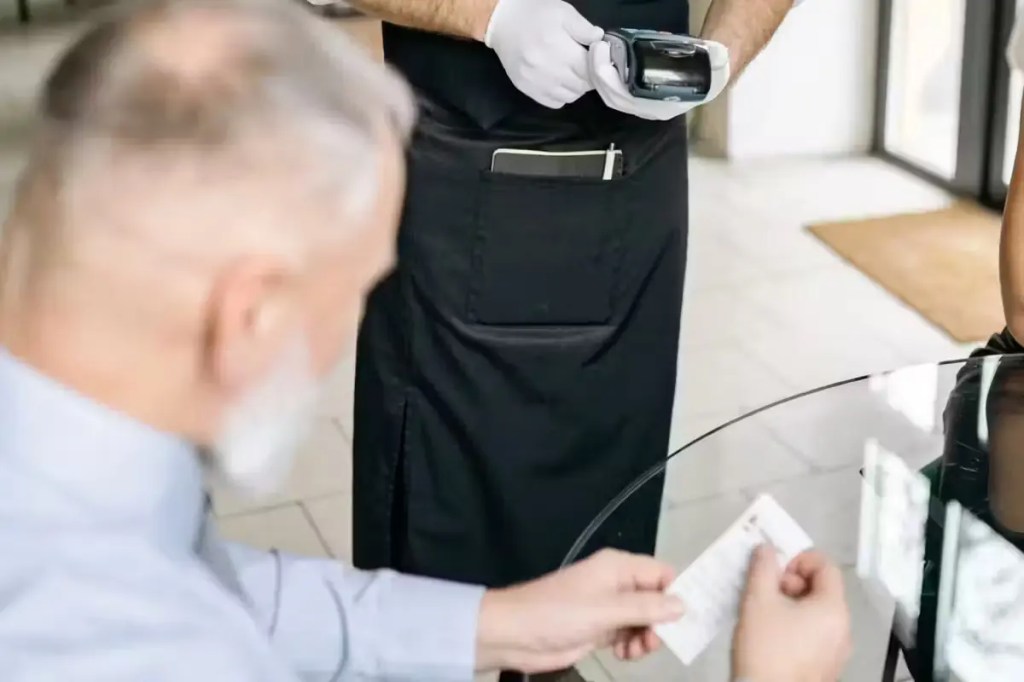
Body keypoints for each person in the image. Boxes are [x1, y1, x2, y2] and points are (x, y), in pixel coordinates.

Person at [0, 1, 851, 681]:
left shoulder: (95, 497)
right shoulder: (125, 644)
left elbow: (209, 590)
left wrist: (495, 625)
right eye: (360, 285)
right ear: (252, 314)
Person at [345, 1, 804, 667]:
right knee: (435, 540)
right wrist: (491, 17)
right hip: (471, 162)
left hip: (637, 178)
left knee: (596, 518)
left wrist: (721, 57)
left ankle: (555, 661)